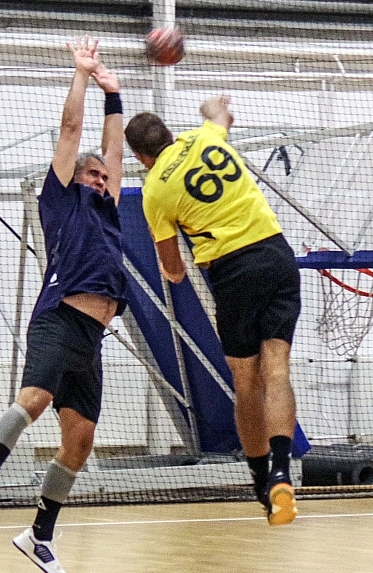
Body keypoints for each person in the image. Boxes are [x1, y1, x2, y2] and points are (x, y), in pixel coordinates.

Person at [0, 37, 124, 573]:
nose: (101, 180)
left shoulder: (109, 208)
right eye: (93, 175)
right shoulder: (61, 199)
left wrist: (114, 94)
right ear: (74, 177)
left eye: (104, 177)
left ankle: (39, 535)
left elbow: (115, 152)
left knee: (80, 441)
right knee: (34, 397)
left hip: (91, 338)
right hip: (59, 318)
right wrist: (82, 75)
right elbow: (72, 131)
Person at [124, 94, 301, 525]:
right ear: (169, 133)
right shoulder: (205, 137)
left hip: (232, 270)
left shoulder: (155, 190)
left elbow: (174, 270)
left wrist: (173, 264)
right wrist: (211, 107)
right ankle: (283, 471)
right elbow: (221, 115)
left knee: (246, 380)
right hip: (276, 254)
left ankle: (260, 481)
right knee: (277, 369)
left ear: (140, 157)